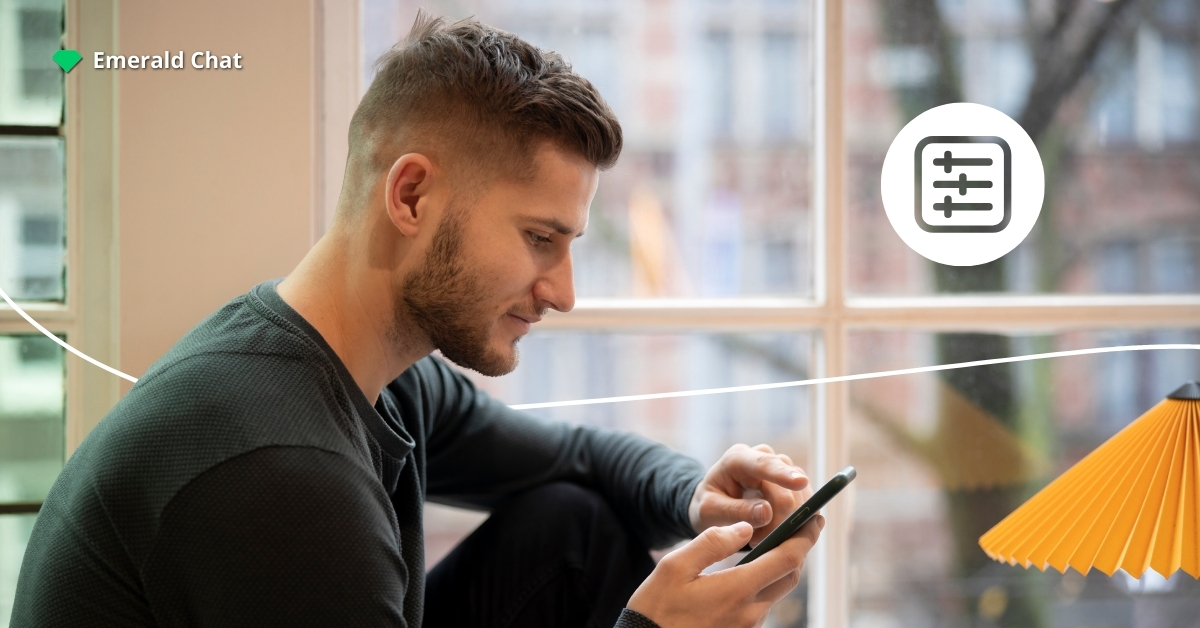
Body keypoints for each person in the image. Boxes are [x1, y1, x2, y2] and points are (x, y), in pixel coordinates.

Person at [11, 13, 823, 628]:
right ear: (410, 196)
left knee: (572, 527)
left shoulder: (377, 371)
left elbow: (574, 459)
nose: (564, 291)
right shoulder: (281, 475)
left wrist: (696, 497)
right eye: (540, 239)